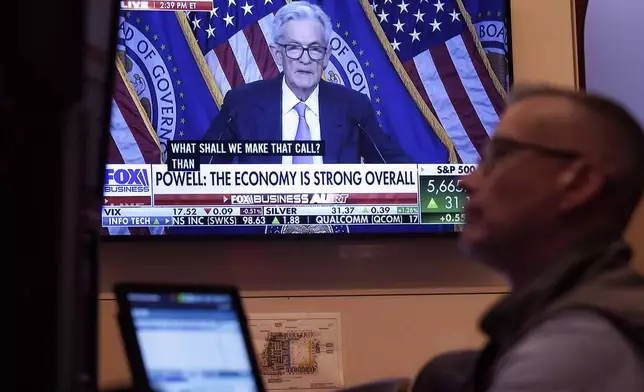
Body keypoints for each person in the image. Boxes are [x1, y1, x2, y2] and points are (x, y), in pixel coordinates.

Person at [413, 85, 644, 391]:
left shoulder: (574, 352)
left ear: (579, 183)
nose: (466, 181)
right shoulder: (585, 316)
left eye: (498, 157)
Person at [201, 1, 411, 164]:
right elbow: (201, 166)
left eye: (315, 48)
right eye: (294, 47)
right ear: (277, 54)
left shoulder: (353, 107)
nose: (305, 58)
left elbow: (396, 168)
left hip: (334, 219)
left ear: (326, 55)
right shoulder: (243, 104)